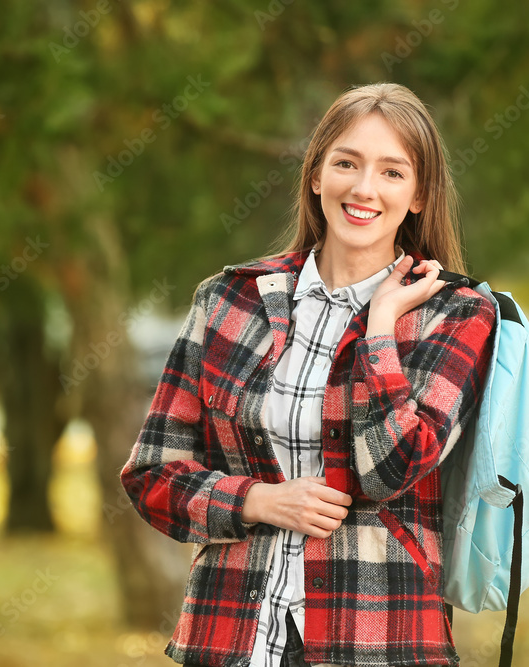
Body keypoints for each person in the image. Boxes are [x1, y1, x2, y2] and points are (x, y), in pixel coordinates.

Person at [119, 82, 496, 667]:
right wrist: (257, 500)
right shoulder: (227, 300)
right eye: (346, 162)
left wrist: (379, 331)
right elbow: (152, 475)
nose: (364, 188)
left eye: (392, 172)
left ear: (419, 195)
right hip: (233, 640)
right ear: (316, 175)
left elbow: (389, 470)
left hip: (379, 642)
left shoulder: (457, 313)